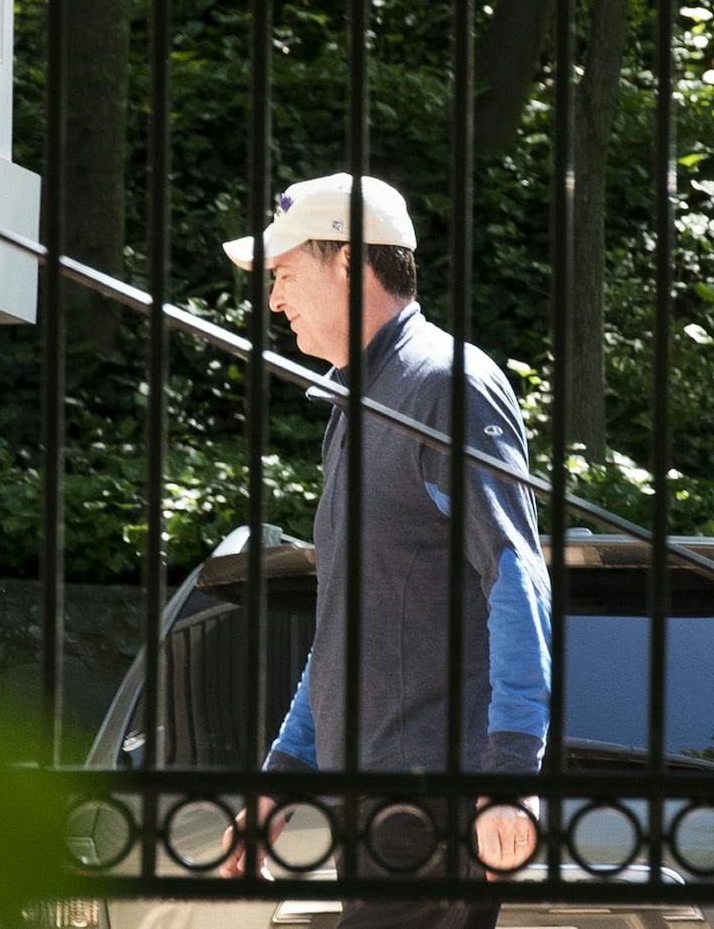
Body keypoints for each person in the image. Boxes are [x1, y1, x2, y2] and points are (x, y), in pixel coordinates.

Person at [217, 173, 553, 929]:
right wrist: (284, 776)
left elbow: (516, 577)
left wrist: (508, 775)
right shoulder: (356, 402)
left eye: (284, 274)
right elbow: (347, 624)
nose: (273, 300)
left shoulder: (447, 387)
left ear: (348, 261)